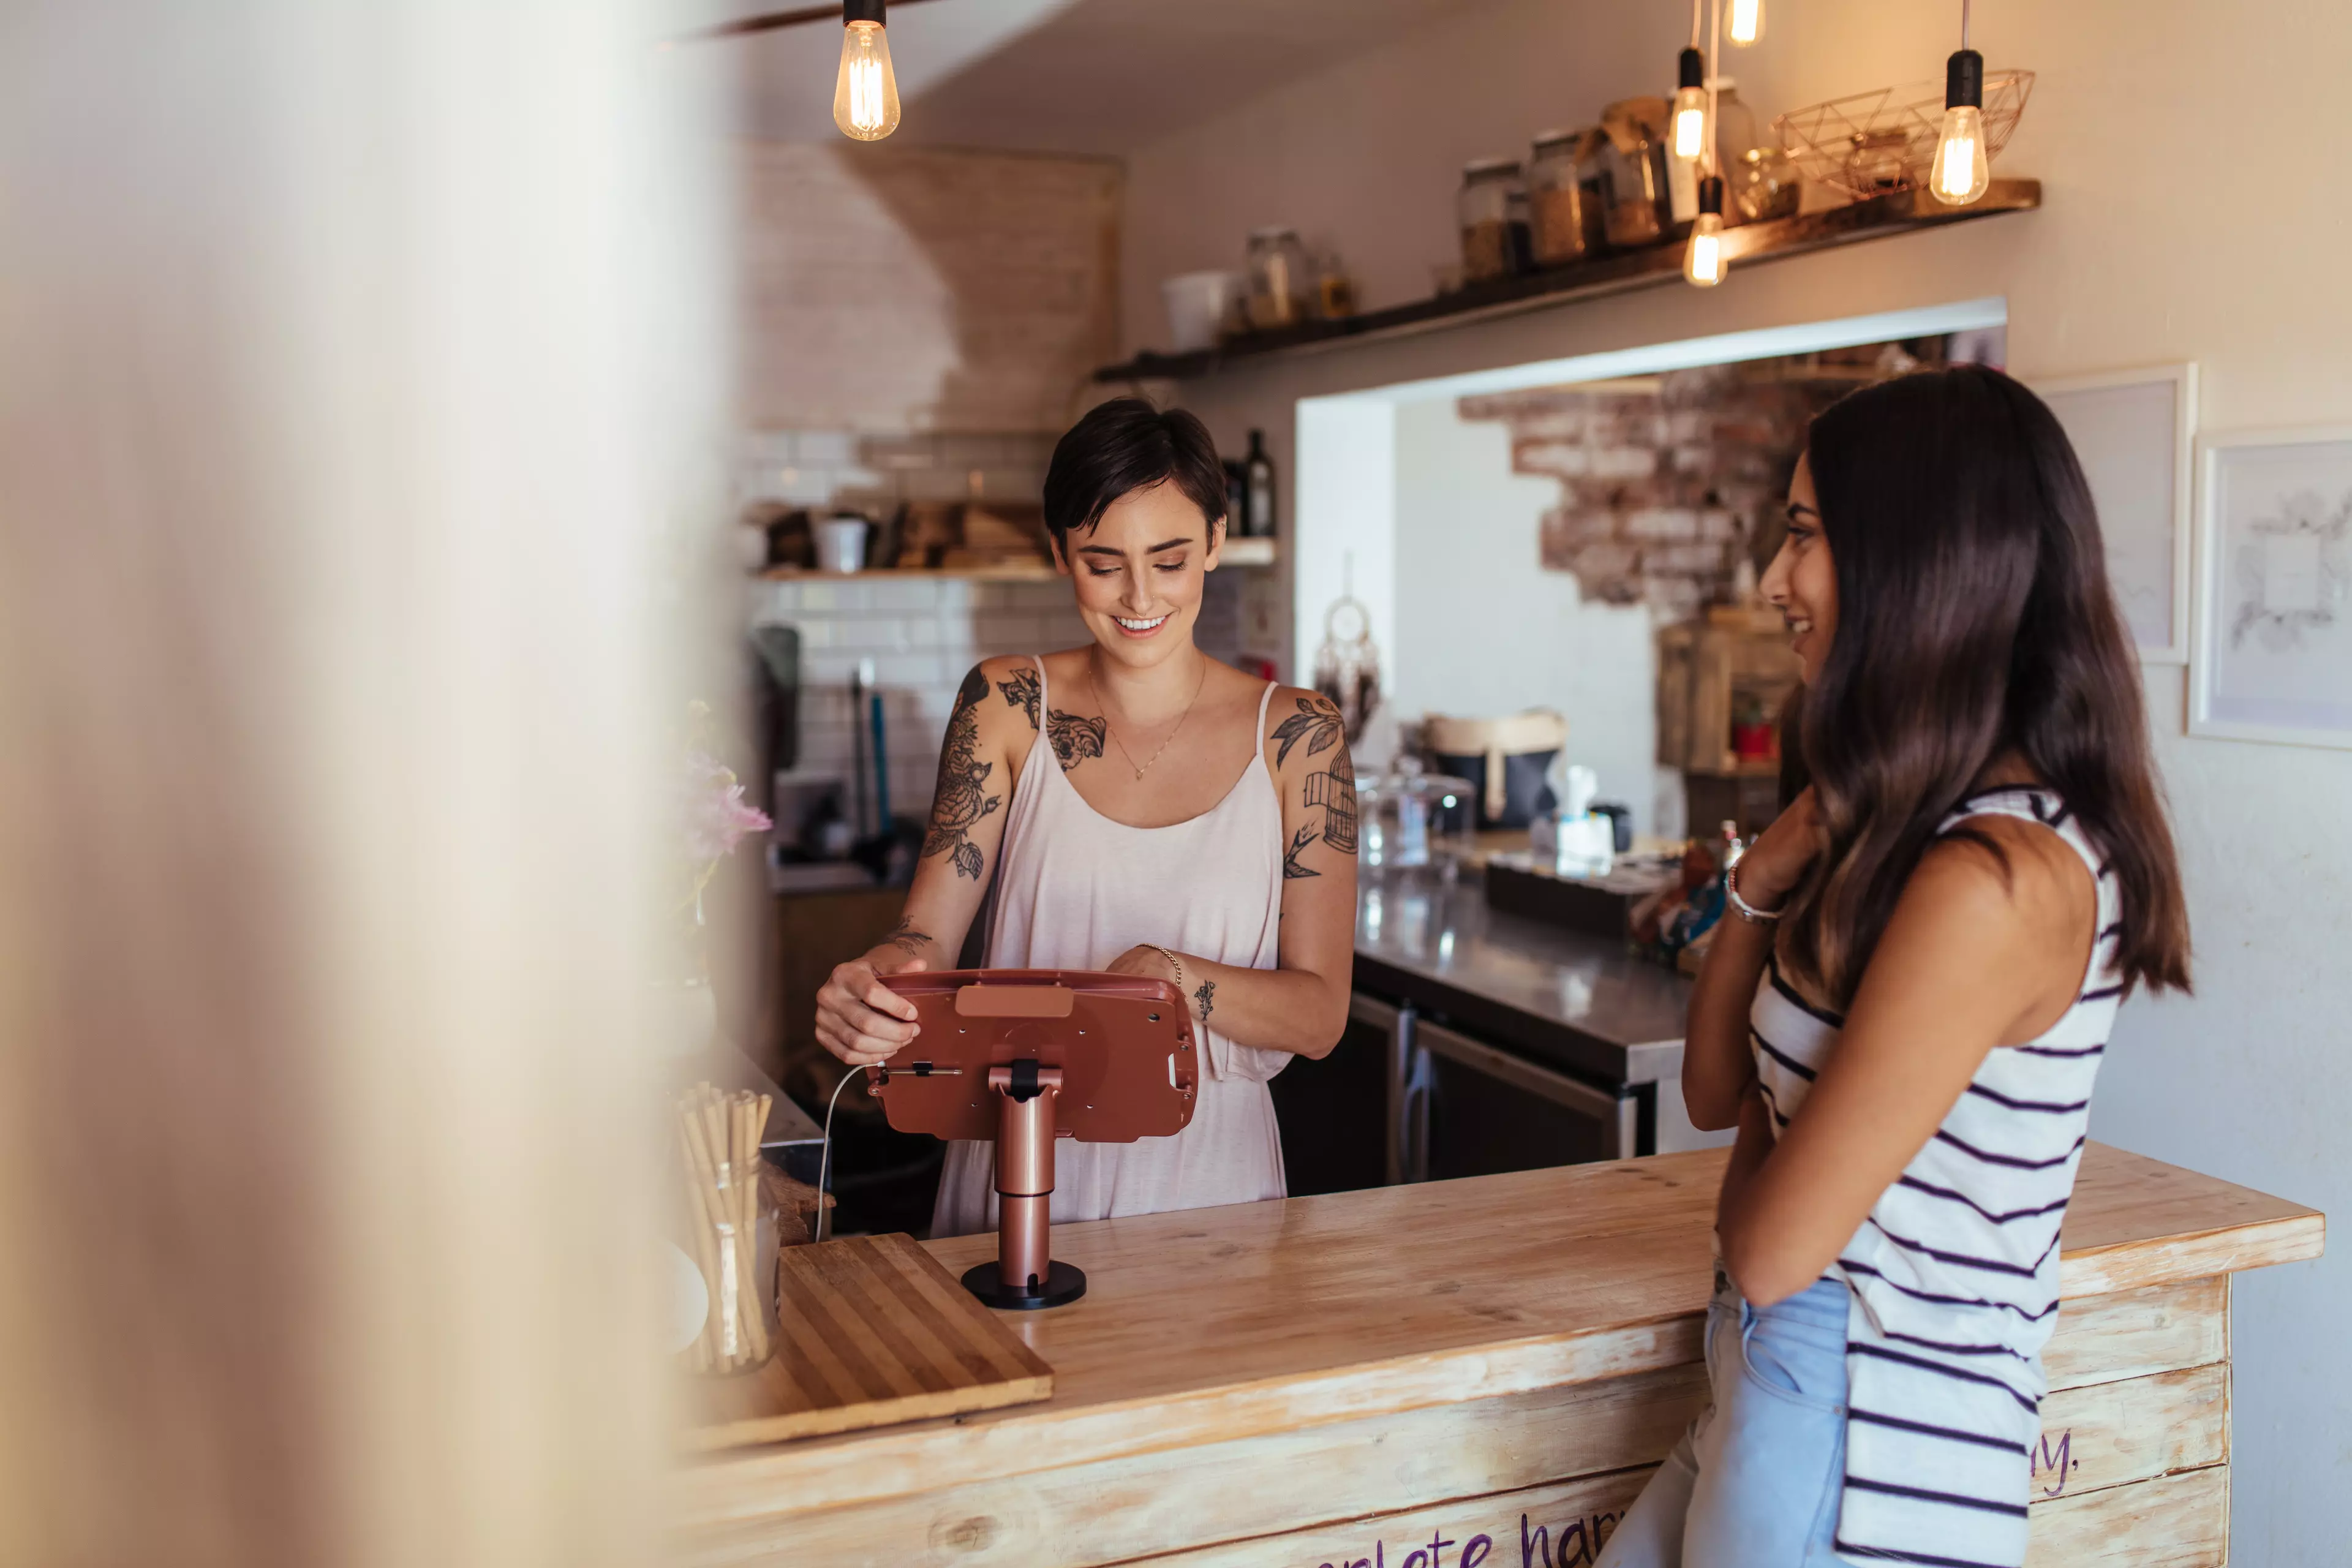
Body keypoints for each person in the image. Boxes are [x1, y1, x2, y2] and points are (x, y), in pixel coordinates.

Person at [1597, 366, 2191, 1568]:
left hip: (1868, 1432)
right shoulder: (1907, 823)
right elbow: (1714, 1088)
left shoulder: (1997, 877)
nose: (1774, 579)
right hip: (1781, 1379)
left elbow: (1773, 1243)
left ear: (1918, 564)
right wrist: (1768, 863)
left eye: (1806, 535)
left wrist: (1781, 1152)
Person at [813, 398, 1359, 1234]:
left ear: (1215, 540)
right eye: (1103, 563)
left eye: (1169, 559)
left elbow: (1320, 1018)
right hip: (1010, 1175)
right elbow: (926, 939)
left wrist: (1177, 981)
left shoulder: (1298, 734)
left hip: (1209, 1192)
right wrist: (876, 983)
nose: (1139, 596)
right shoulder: (1003, 702)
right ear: (1061, 553)